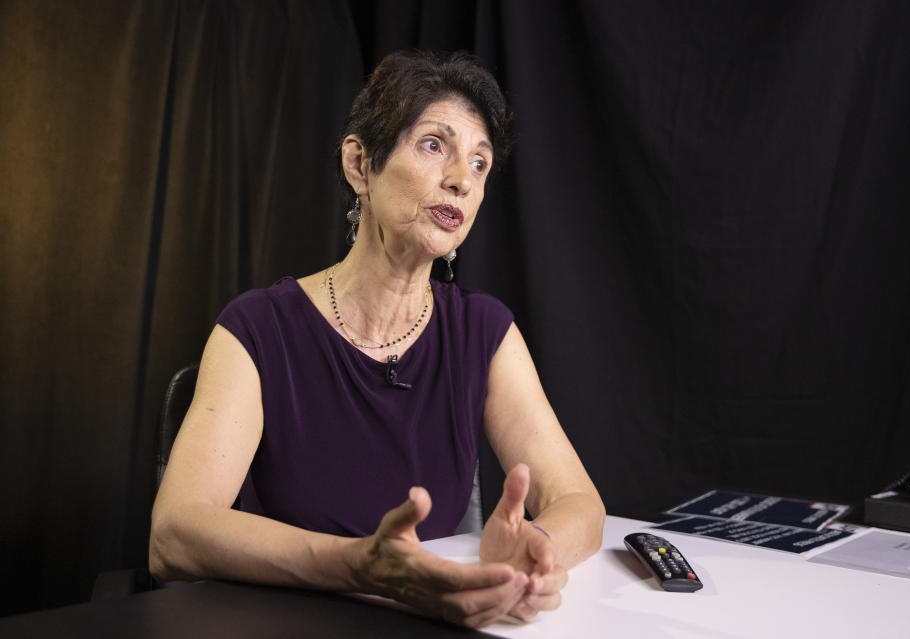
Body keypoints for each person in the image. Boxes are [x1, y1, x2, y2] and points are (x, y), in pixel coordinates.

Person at [149, 50, 605, 629]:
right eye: (435, 145)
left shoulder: (484, 333)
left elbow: (581, 505)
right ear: (360, 165)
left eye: (481, 163)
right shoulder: (259, 329)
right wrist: (360, 567)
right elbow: (173, 533)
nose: (462, 180)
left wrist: (537, 551)